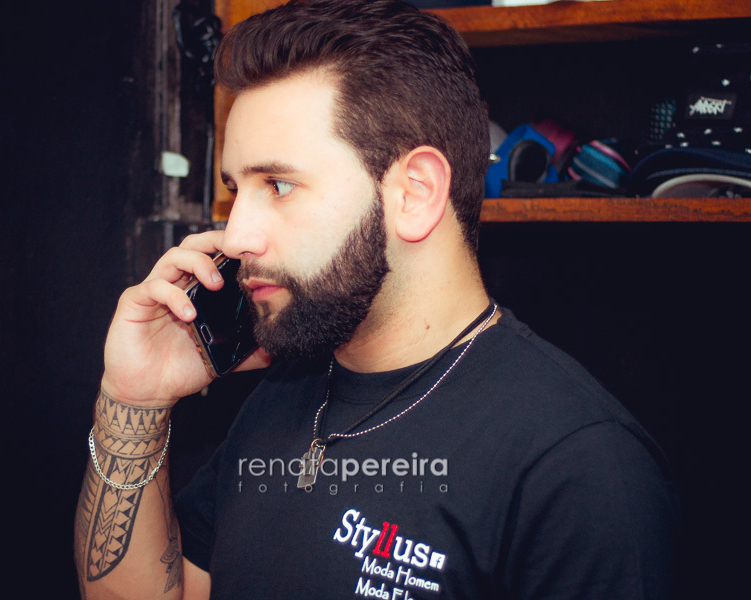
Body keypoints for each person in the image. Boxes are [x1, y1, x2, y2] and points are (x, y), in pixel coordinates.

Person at [74, 1, 679, 598]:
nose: (234, 238)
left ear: (414, 193)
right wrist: (135, 401)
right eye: (237, 190)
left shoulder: (579, 467)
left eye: (278, 185)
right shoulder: (286, 388)